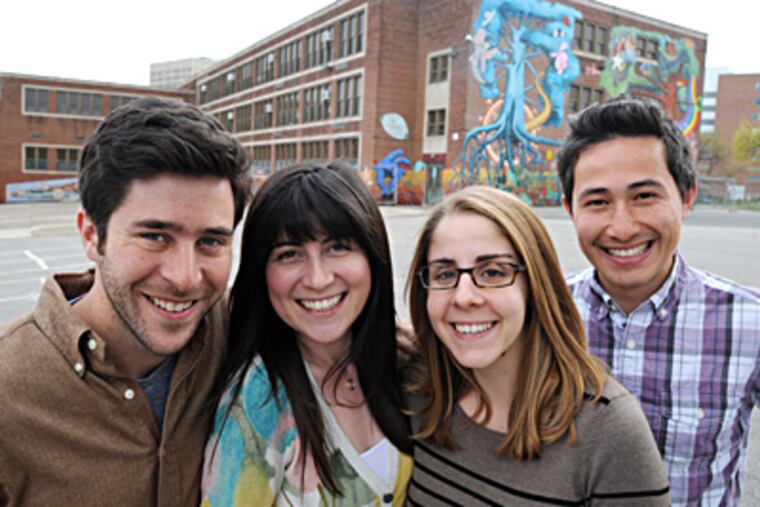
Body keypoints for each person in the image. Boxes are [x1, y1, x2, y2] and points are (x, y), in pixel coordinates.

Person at [0, 97, 250, 506]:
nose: (185, 277)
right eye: (155, 236)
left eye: (210, 241)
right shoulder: (8, 391)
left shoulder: (240, 332)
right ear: (90, 234)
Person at [404, 186, 670, 505]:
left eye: (492, 272)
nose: (463, 297)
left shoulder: (607, 429)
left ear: (536, 285)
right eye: (444, 273)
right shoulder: (417, 390)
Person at [557, 96, 760, 506]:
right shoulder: (538, 314)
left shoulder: (748, 323)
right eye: (597, 202)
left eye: (644, 196)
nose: (622, 226)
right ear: (569, 209)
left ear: (686, 198)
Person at [201, 162, 413, 506]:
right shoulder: (259, 400)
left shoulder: (400, 362)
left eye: (338, 247)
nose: (318, 279)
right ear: (261, 273)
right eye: (289, 254)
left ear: (373, 256)